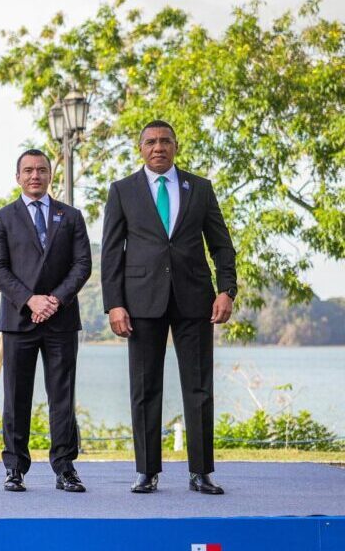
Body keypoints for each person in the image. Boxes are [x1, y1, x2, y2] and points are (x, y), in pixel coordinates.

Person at [102, 120, 237, 495]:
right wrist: (114, 304)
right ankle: (146, 471)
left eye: (165, 141)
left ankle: (201, 472)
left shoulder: (201, 188)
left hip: (195, 299)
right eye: (150, 142)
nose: (158, 147)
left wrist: (227, 290)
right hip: (141, 302)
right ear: (140, 148)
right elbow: (111, 252)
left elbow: (221, 245)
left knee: (199, 388)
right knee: (145, 389)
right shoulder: (122, 190)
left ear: (176, 146)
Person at [0, 149, 92, 493]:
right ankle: (14, 468)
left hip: (61, 319)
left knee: (62, 397)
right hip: (19, 321)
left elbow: (82, 265)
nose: (35, 175)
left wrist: (54, 300)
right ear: (17, 177)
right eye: (28, 170)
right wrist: (30, 300)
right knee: (16, 398)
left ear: (50, 175)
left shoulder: (71, 216)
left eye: (42, 170)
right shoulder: (2, 218)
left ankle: (65, 468)